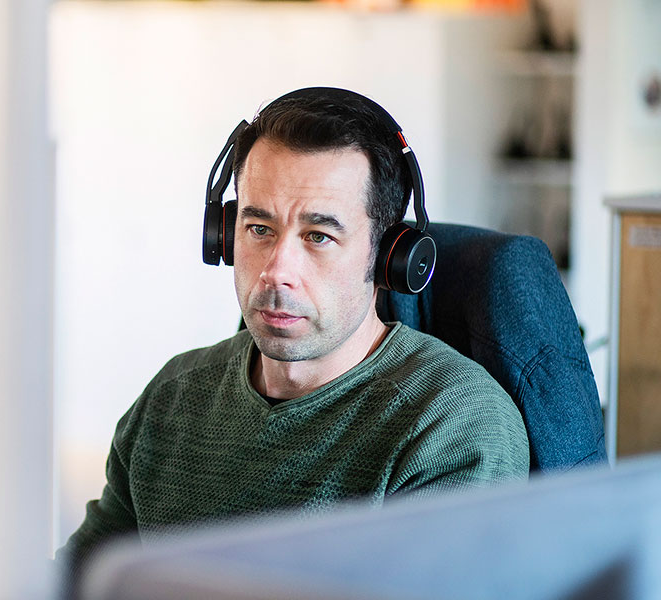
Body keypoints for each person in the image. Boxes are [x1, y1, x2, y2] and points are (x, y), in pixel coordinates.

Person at [60, 88, 530, 576]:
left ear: (389, 257)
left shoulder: (453, 426)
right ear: (224, 236)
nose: (276, 271)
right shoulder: (171, 398)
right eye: (259, 229)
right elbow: (75, 579)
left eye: (319, 236)